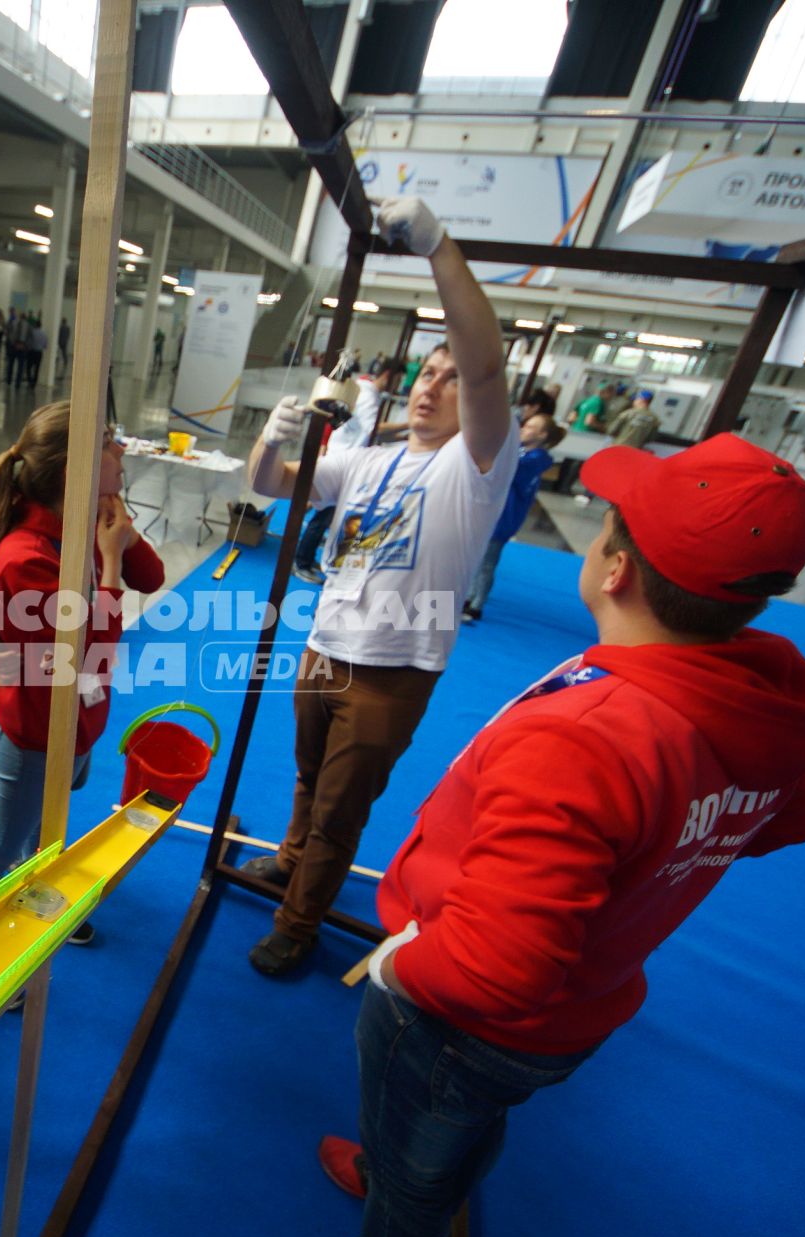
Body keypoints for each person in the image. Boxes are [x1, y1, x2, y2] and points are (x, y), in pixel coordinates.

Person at [256, 431, 805, 1237]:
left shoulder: (593, 735)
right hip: (583, 999)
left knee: (429, 1151)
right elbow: (782, 823)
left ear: (616, 570)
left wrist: (401, 965)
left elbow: (497, 973)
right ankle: (400, 1168)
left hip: (467, 1017)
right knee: (454, 1131)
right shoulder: (747, 702)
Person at [243, 197, 517, 976]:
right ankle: (291, 862)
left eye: (450, 378)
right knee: (306, 780)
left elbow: (488, 364)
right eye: (426, 374)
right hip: (326, 646)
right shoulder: (372, 457)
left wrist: (436, 246)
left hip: (392, 668)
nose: (432, 388)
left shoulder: (475, 468)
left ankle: (298, 921)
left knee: (340, 808)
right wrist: (273, 436)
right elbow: (272, 485)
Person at [0, 405, 165, 933]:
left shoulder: (83, 521)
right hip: (35, 732)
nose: (121, 450)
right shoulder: (26, 555)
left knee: (46, 822)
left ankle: (37, 881)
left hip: (75, 722)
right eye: (108, 442)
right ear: (73, 470)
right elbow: (88, 651)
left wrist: (120, 532)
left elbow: (153, 576)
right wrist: (110, 563)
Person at [463, 391, 565, 621]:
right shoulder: (524, 453)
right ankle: (470, 596)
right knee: (478, 558)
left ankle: (476, 604)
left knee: (487, 561)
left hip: (505, 517)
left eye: (530, 427)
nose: (523, 429)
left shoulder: (534, 459)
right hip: (495, 512)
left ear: (542, 435)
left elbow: (504, 467)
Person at [293, 366, 390, 586]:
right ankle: (301, 561)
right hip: (340, 462)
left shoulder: (362, 393)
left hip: (345, 460)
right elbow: (368, 429)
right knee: (321, 517)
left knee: (324, 515)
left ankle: (305, 559)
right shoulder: (364, 394)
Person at [25, 314, 49, 387]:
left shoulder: (32, 332)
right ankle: (34, 383)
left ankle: (29, 380)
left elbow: (28, 343)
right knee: (37, 368)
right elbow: (45, 346)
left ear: (35, 325)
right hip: (39, 353)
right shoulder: (44, 334)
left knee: (28, 367)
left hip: (32, 352)